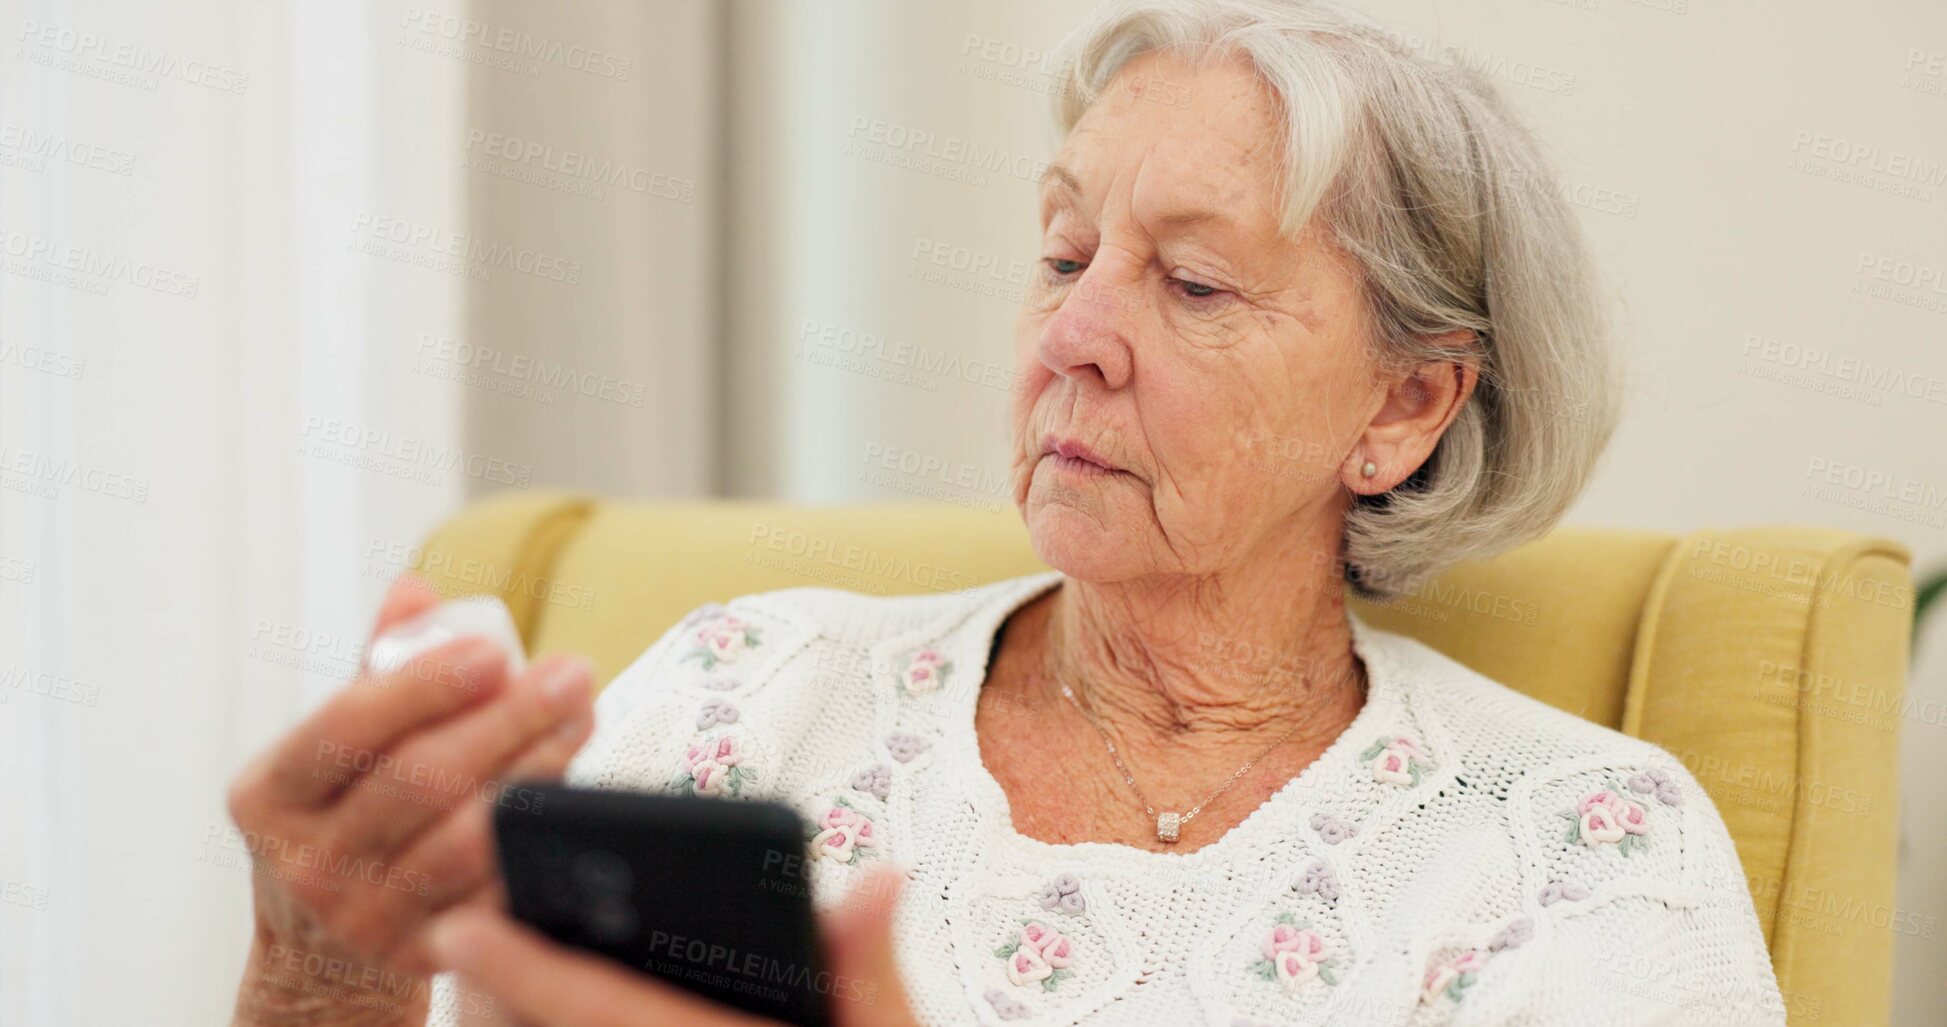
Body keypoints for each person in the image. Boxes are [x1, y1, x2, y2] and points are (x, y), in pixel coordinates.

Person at [226, 1, 1786, 1024]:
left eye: (1190, 281)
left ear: (1404, 408)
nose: (1073, 336)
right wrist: (321, 967)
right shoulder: (740, 691)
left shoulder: (1579, 858)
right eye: (1063, 253)